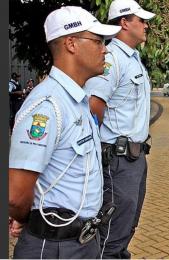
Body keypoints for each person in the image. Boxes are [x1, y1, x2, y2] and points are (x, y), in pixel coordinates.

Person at [8, 6, 120, 259]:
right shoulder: (48, 106)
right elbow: (16, 194)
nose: (106, 49)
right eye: (98, 41)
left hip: (80, 241)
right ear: (71, 43)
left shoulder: (76, 101)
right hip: (55, 245)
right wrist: (34, 220)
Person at [84, 0, 155, 258]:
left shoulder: (134, 60)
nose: (146, 25)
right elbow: (93, 107)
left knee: (126, 227)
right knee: (112, 234)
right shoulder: (113, 59)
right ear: (124, 23)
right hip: (117, 160)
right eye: (141, 20)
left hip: (133, 159)